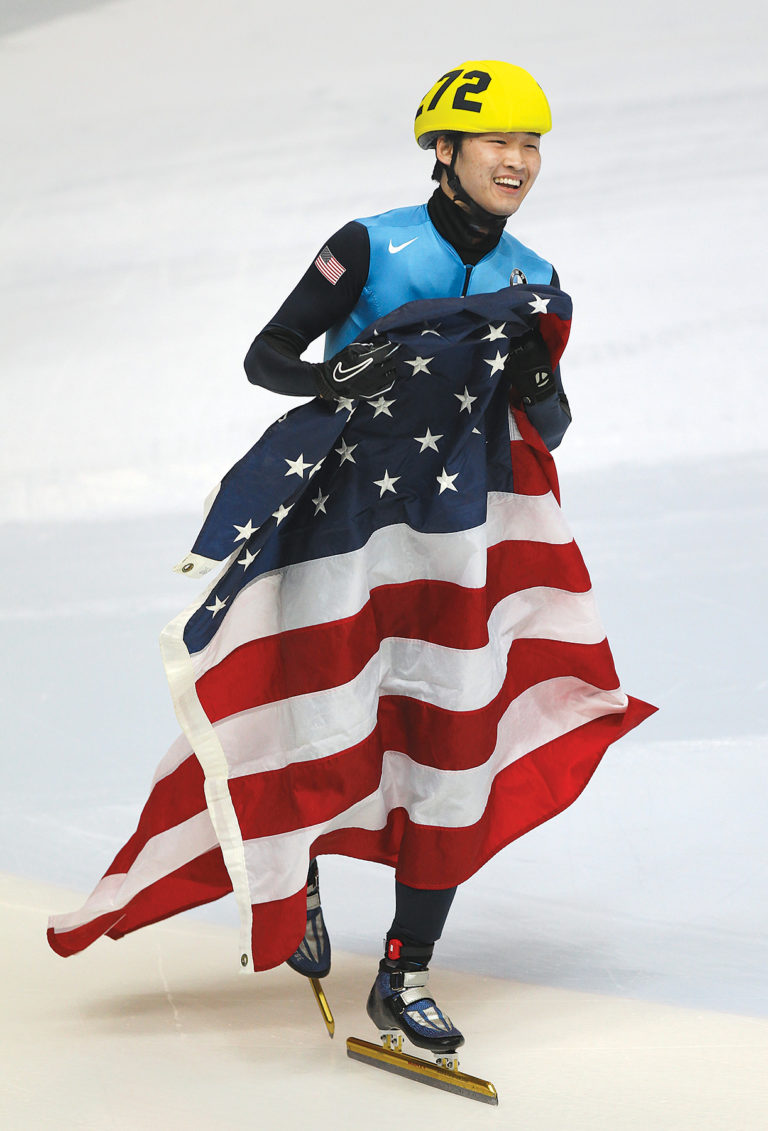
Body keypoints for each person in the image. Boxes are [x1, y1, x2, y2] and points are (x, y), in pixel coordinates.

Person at [243, 60, 570, 1057]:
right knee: (323, 714)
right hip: (339, 520)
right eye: (498, 143)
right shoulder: (370, 244)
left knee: (447, 747)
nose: (517, 162)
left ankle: (405, 970)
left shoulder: (536, 278)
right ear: (445, 152)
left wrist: (535, 371)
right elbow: (267, 357)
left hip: (451, 540)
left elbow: (550, 430)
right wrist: (331, 372)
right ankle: (292, 872)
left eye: (531, 145)